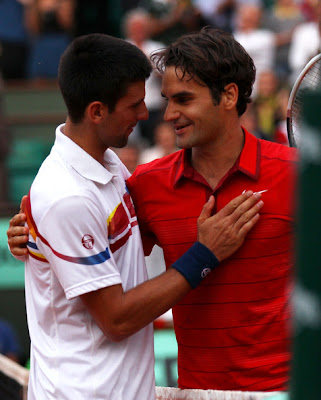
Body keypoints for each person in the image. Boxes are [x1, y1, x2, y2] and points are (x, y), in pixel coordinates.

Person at [6, 32, 263, 399]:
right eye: (134, 105)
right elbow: (116, 319)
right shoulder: (66, 196)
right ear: (96, 111)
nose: (146, 114)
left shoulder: (107, 162)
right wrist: (205, 254)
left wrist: (33, 237)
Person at [126, 27, 297, 391]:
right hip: (195, 391)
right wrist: (31, 230)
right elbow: (94, 249)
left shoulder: (297, 174)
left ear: (229, 96)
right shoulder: (146, 184)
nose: (169, 114)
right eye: (167, 100)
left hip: (286, 390)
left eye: (184, 100)